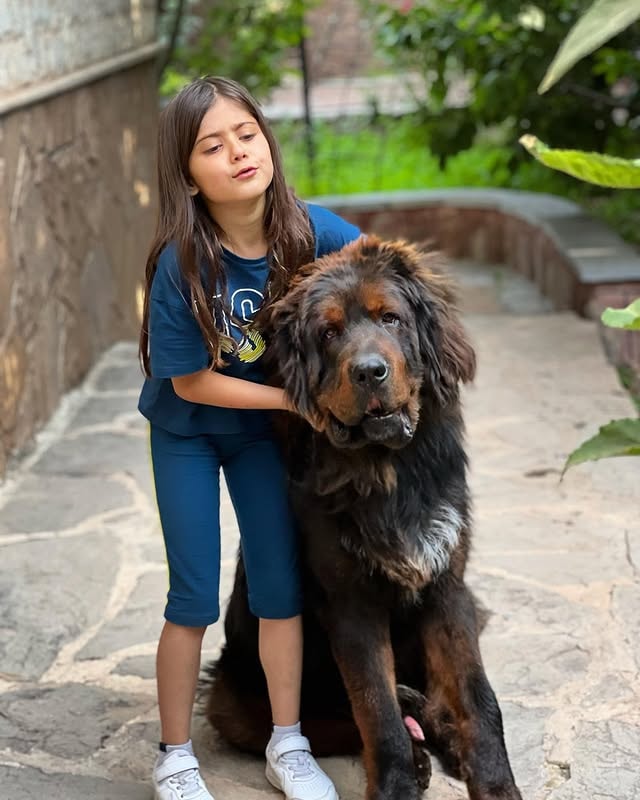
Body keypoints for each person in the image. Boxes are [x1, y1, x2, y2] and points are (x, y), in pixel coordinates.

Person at [138, 76, 361, 800]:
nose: (237, 152)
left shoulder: (315, 233)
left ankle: (288, 743)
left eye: (246, 133)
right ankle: (175, 756)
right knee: (194, 594)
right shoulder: (181, 261)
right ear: (188, 175)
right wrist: (299, 400)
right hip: (190, 434)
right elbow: (192, 383)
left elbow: (379, 281)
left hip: (262, 435)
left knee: (278, 585)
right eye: (212, 145)